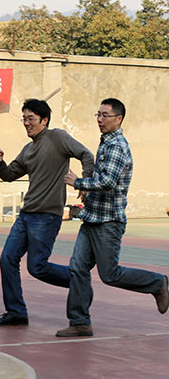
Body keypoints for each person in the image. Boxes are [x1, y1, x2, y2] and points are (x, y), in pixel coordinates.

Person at [57, 98, 168, 337]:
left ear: (119, 119)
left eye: (105, 115)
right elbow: (103, 178)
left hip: (108, 222)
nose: (99, 119)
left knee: (110, 274)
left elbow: (108, 181)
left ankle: (158, 283)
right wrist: (87, 190)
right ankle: (80, 322)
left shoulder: (117, 145)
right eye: (97, 114)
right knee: (77, 267)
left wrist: (78, 182)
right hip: (92, 218)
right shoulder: (106, 142)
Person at [0, 98, 95, 326]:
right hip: (25, 215)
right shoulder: (28, 150)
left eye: (31, 118)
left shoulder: (58, 138)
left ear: (44, 120)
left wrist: (85, 183)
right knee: (7, 259)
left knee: (37, 267)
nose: (27, 123)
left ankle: (79, 280)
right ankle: (16, 312)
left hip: (47, 217)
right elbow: (9, 175)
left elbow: (86, 155)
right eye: (24, 119)